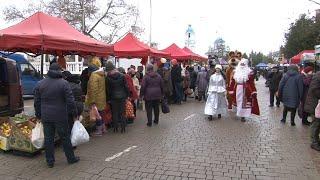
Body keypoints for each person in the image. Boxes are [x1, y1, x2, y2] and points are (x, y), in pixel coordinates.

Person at [34, 63, 79, 168]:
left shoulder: (40, 83)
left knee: (48, 139)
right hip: (60, 115)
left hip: (46, 116)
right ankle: (71, 158)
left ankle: (50, 161)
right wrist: (74, 113)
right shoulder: (64, 83)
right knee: (65, 137)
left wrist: (38, 115)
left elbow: (37, 102)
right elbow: (70, 101)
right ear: (59, 71)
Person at [105, 61, 129, 133]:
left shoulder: (107, 78)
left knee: (114, 113)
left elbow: (108, 89)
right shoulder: (122, 76)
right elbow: (126, 87)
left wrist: (108, 98)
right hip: (122, 97)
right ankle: (123, 127)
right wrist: (127, 95)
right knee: (122, 112)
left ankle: (115, 128)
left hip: (113, 97)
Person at [85, 58, 106, 136]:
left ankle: (99, 131)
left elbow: (93, 89)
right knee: (100, 114)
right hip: (101, 97)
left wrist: (92, 101)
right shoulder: (101, 75)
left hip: (96, 99)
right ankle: (103, 128)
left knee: (97, 115)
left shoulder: (94, 76)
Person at [304, 72, 320, 151]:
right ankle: (314, 142)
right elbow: (315, 90)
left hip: (315, 104)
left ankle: (316, 141)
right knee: (316, 124)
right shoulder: (318, 76)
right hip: (315, 105)